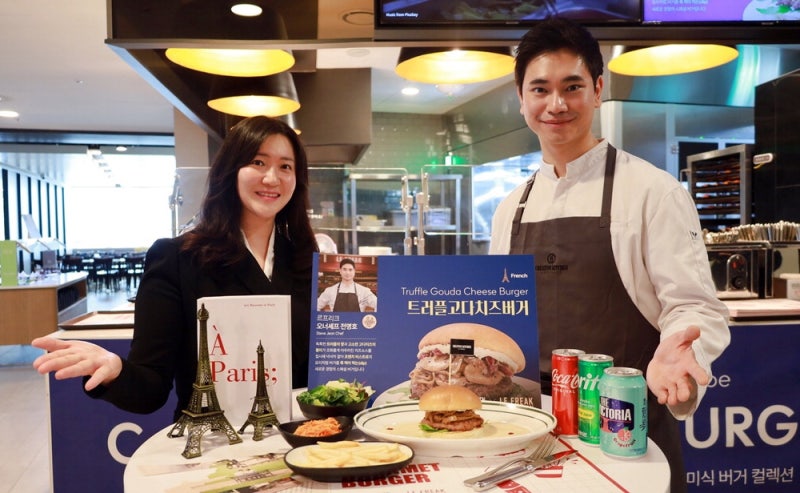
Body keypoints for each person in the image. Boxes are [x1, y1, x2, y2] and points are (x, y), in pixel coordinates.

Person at [489, 17, 730, 493]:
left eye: (572, 87)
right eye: (540, 89)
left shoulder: (653, 191)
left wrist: (678, 352)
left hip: (627, 427)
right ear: (521, 99)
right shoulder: (510, 207)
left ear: (597, 90)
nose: (556, 104)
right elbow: (502, 317)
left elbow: (694, 306)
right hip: (532, 433)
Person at [31, 116, 318, 420]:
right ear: (230, 170)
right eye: (258, 162)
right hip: (212, 439)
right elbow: (150, 389)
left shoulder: (307, 261)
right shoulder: (177, 258)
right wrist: (115, 370)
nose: (272, 178)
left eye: (285, 166)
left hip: (302, 434)